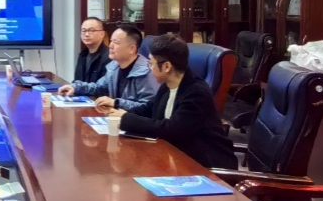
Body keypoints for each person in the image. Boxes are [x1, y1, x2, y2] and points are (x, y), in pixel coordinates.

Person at [101, 34, 238, 169]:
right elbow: (148, 109)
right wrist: (119, 112)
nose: (149, 68)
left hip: (204, 164)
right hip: (175, 156)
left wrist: (126, 119)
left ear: (166, 66)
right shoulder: (168, 85)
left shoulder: (196, 92)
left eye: (151, 63)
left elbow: (171, 129)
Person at [58, 22, 156, 109]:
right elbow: (98, 87)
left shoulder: (147, 72)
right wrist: (76, 87)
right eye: (111, 41)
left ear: (132, 49)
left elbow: (148, 107)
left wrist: (116, 103)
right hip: (116, 118)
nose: (110, 46)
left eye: (116, 42)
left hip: (133, 122)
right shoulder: (114, 66)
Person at [74, 16, 109, 84]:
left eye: (91, 30)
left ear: (102, 34)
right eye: (84, 31)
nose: (86, 34)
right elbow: (77, 81)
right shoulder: (83, 55)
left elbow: (103, 86)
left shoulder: (108, 57)